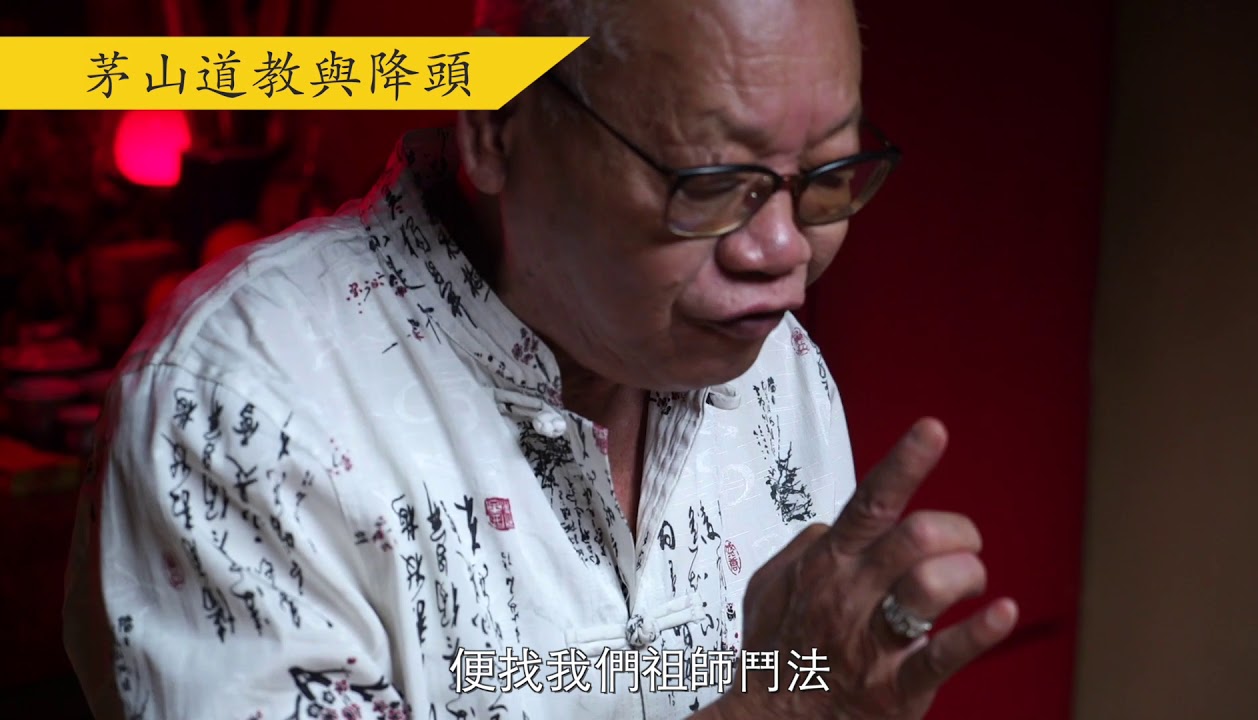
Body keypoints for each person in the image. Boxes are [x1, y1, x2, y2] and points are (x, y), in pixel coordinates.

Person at [64, 0, 1019, 717]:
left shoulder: (774, 364)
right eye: (711, 182)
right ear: (497, 127)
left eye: (827, 175)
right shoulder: (239, 402)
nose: (782, 250)